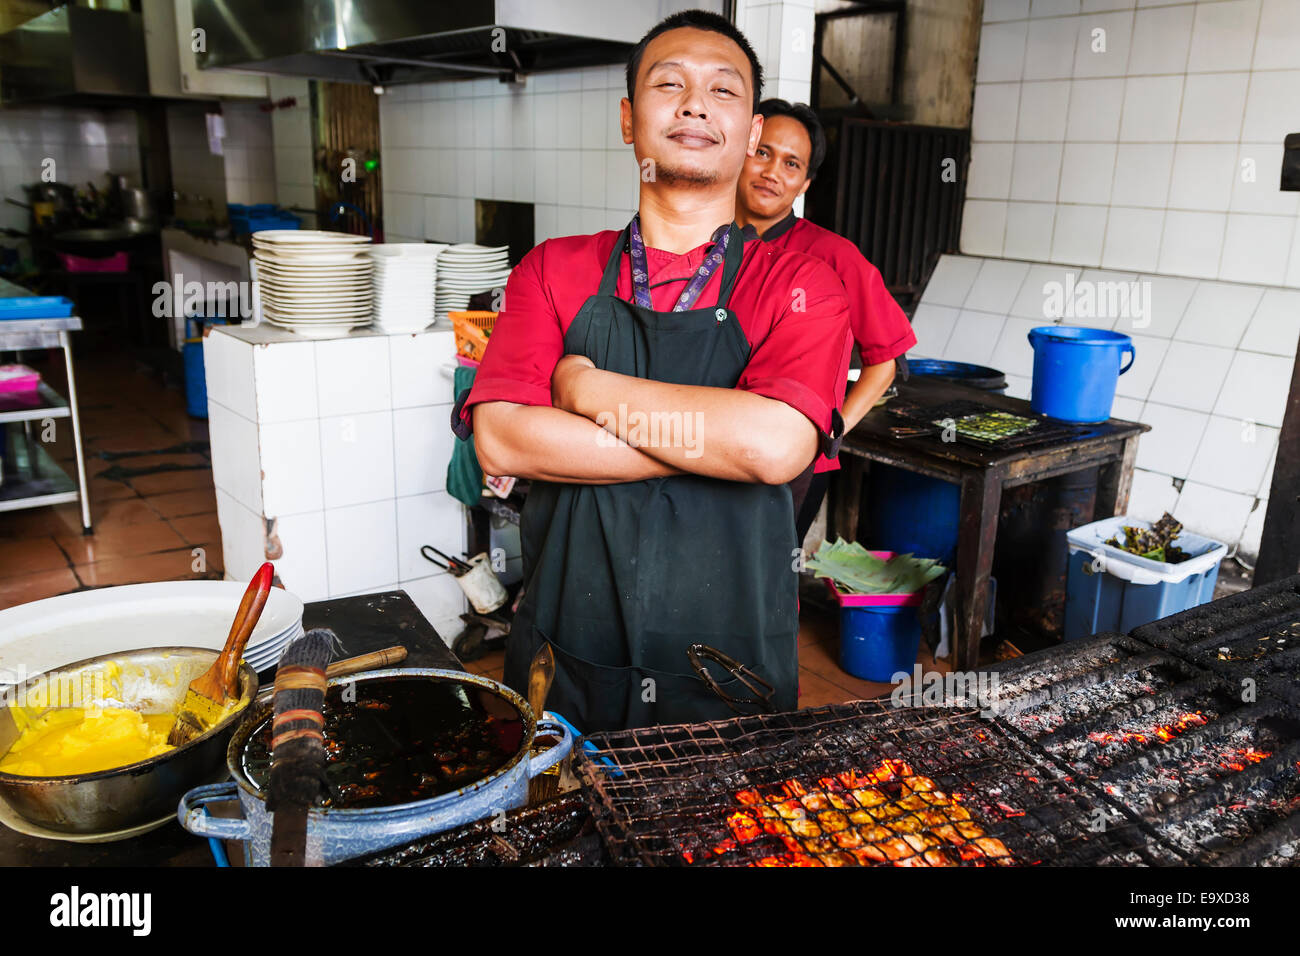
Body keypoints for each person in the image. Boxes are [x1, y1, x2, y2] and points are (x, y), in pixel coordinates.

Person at [451, 11, 851, 731]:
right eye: (670, 84)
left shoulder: (804, 285)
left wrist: (584, 389)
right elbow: (504, 441)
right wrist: (709, 446)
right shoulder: (553, 268)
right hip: (568, 655)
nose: (695, 103)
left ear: (754, 133)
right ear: (630, 121)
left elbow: (771, 447)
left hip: (726, 668)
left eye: (722, 91)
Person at [735, 99, 917, 544]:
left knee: (766, 579)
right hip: (706, 440)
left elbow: (885, 359)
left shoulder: (834, 257)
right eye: (763, 152)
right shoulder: (702, 241)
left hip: (791, 459)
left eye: (791, 163)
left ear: (805, 183)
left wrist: (834, 428)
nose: (773, 171)